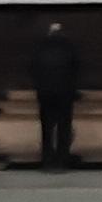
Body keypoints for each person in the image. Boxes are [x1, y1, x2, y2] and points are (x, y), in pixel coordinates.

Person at [31, 18, 83, 170]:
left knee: (47, 128)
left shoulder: (39, 47)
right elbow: (76, 70)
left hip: (45, 93)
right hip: (65, 93)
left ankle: (47, 161)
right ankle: (62, 161)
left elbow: (32, 69)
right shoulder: (69, 47)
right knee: (63, 127)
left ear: (49, 32)